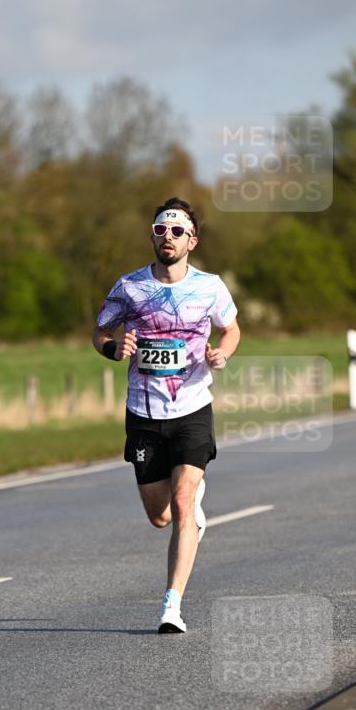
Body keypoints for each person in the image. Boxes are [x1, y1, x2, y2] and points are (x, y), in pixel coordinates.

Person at [92, 198, 241, 634]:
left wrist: (221, 355)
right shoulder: (130, 287)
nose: (168, 238)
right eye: (160, 230)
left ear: (192, 240)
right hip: (143, 412)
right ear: (153, 237)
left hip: (193, 406)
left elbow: (231, 328)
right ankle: (186, 512)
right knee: (159, 516)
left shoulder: (211, 287)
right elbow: (101, 329)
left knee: (182, 501)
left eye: (177, 231)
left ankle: (171, 604)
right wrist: (111, 349)